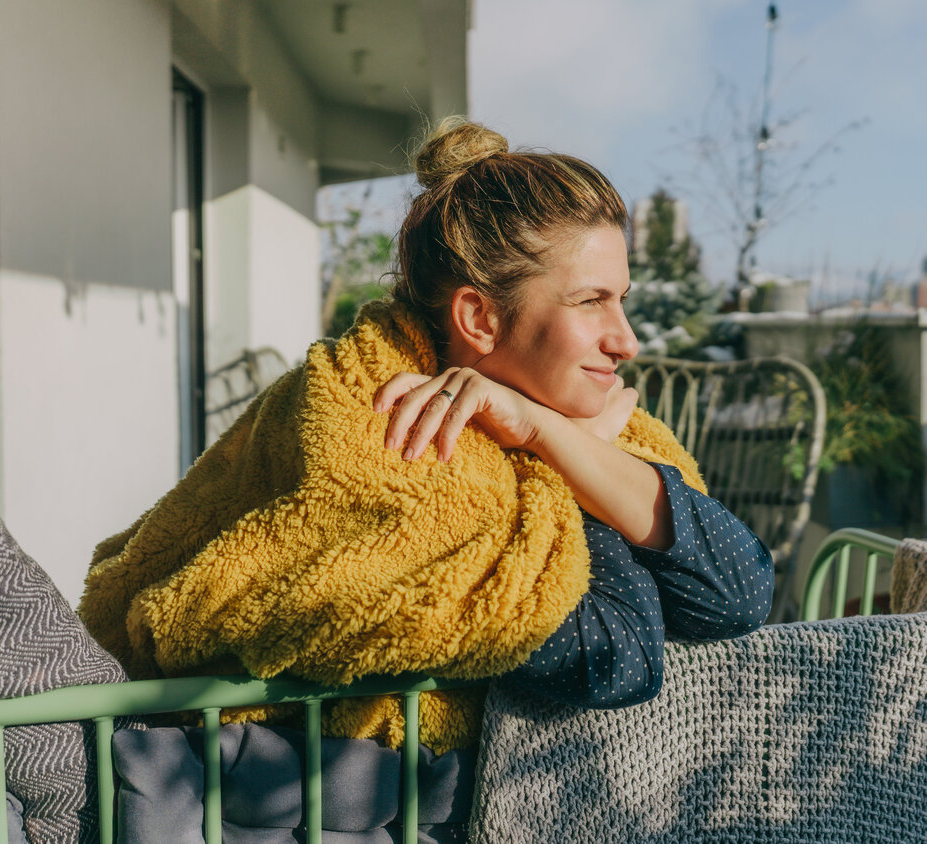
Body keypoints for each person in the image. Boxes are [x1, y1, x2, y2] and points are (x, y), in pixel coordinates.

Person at [78, 118, 773, 754]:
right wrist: (571, 453)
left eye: (623, 300)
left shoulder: (556, 413)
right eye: (591, 301)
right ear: (479, 319)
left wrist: (553, 436)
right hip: (272, 785)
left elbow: (738, 595)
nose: (625, 340)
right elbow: (619, 657)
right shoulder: (390, 430)